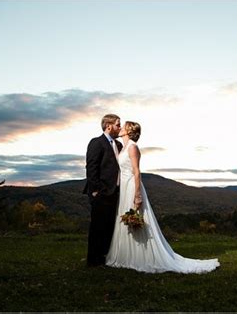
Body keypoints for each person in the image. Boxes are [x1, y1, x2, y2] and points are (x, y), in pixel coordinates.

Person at [106, 121, 220, 273]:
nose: (120, 128)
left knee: (136, 219)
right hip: (124, 187)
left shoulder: (133, 147)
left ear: (128, 131)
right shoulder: (123, 147)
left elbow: (137, 171)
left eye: (123, 126)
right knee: (124, 219)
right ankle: (126, 256)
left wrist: (138, 194)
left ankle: (142, 256)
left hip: (133, 186)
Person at [83, 114, 123, 266]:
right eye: (118, 124)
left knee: (110, 226)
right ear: (108, 126)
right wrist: (96, 190)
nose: (120, 127)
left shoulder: (119, 145)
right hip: (100, 192)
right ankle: (93, 261)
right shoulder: (96, 142)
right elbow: (91, 167)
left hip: (116, 192)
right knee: (97, 227)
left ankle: (105, 257)